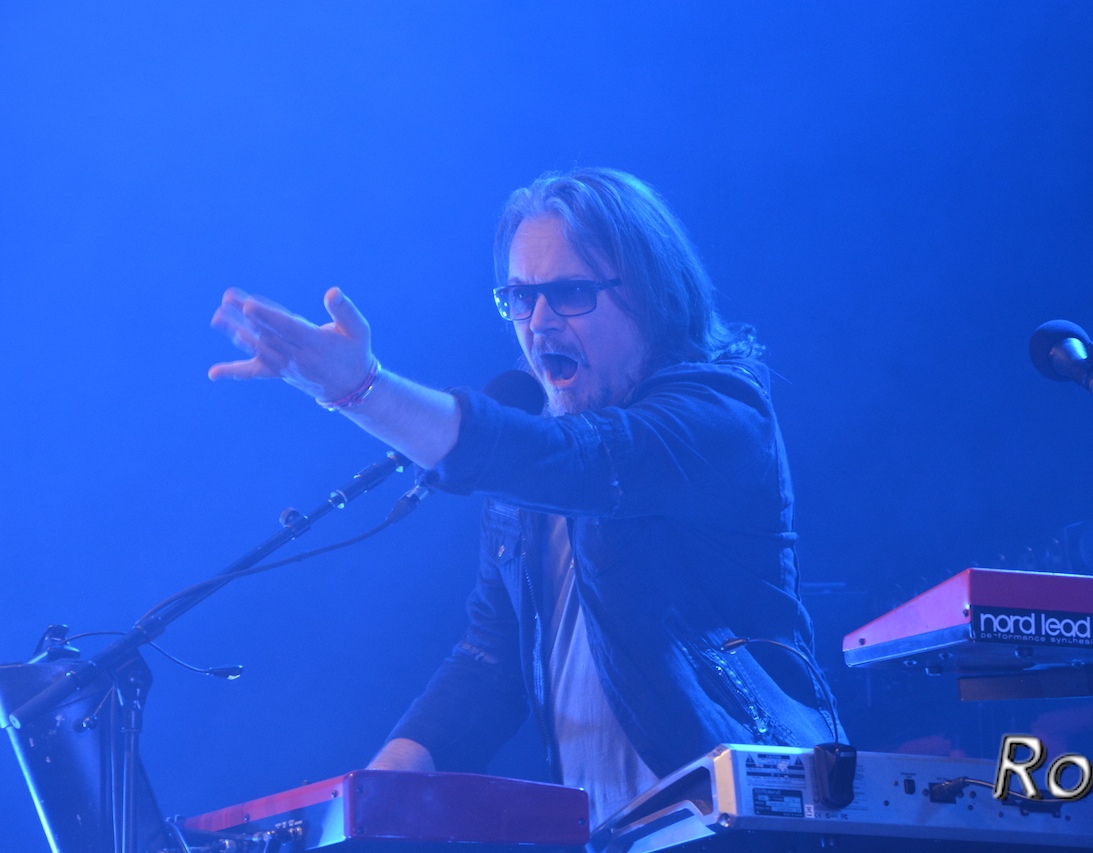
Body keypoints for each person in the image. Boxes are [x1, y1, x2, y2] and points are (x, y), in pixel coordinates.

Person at [209, 167, 841, 827]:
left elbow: (582, 461)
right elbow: (492, 660)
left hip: (752, 821)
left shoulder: (721, 414)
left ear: (653, 296)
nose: (539, 322)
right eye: (520, 296)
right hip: (617, 831)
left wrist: (362, 389)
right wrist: (372, 792)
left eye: (569, 293)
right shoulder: (534, 458)